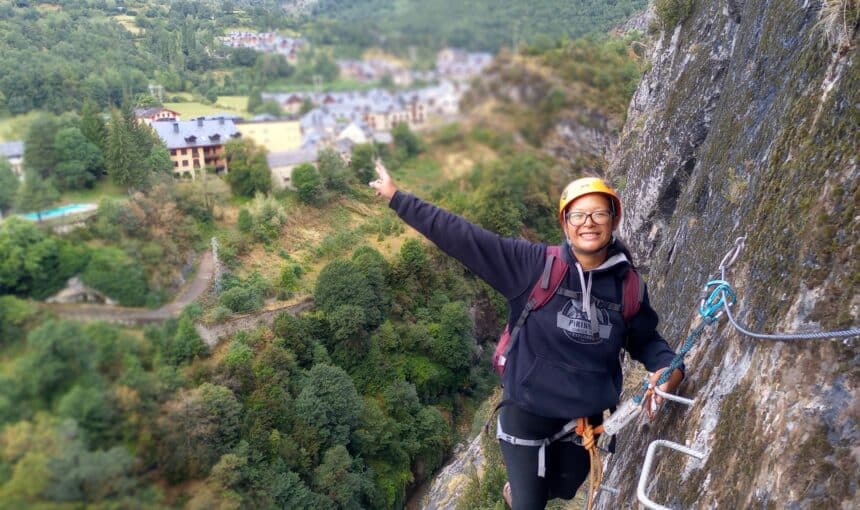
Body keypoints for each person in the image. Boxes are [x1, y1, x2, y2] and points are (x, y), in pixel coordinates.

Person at [369, 162, 683, 509]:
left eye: (598, 213)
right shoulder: (533, 266)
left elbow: (645, 340)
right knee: (528, 504)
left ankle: (526, 488)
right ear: (565, 223)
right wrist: (398, 198)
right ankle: (519, 492)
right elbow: (463, 237)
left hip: (583, 420)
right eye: (578, 215)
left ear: (614, 219)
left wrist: (669, 368)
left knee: (564, 488)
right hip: (527, 414)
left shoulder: (629, 287)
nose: (588, 223)